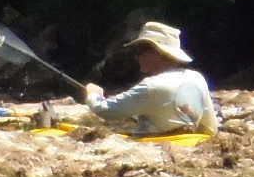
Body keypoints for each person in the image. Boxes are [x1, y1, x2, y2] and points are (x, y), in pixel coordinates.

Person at [78, 20, 218, 136]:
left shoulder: (151, 86)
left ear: (158, 53)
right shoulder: (197, 78)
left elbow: (105, 110)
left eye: (140, 50)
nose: (136, 56)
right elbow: (211, 128)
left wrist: (93, 94)